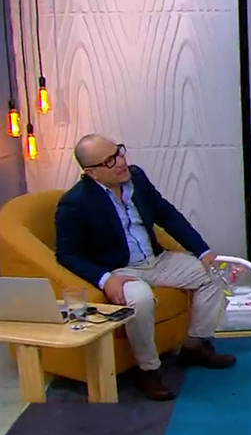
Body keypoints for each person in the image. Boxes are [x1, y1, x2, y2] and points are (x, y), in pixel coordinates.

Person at [55, 134, 236, 401]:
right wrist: (105, 279)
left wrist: (203, 251)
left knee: (214, 275)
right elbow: (67, 254)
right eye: (110, 160)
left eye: (119, 152)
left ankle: (194, 347)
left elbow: (167, 215)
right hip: (120, 270)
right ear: (91, 173)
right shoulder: (75, 203)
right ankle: (148, 370)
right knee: (140, 300)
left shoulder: (136, 178)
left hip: (156, 260)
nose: (120, 161)